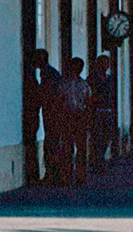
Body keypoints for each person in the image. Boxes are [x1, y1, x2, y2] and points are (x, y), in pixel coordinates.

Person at [30, 49, 62, 184]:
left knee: (51, 141)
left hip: (52, 111)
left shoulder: (47, 73)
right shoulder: (50, 72)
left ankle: (52, 173)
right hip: (52, 111)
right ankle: (53, 172)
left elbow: (47, 92)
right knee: (52, 140)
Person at [59, 57, 91, 187]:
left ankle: (76, 175)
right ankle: (71, 175)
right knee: (70, 147)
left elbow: (88, 101)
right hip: (71, 116)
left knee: (76, 147)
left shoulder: (81, 84)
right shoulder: (79, 84)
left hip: (76, 116)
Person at [88, 55, 115, 173]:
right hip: (97, 111)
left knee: (106, 137)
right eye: (103, 63)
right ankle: (98, 162)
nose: (106, 65)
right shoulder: (92, 78)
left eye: (107, 63)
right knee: (97, 138)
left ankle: (99, 159)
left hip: (107, 111)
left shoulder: (109, 78)